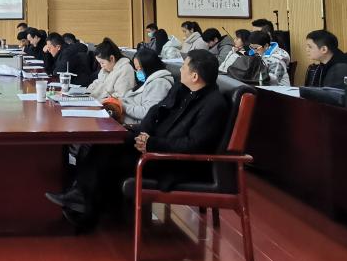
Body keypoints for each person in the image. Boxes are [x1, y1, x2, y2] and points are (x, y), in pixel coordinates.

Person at [45, 49, 229, 227]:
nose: (180, 70)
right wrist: (143, 134)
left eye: (184, 66)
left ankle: (86, 207)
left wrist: (151, 143)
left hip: (173, 162)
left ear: (195, 76)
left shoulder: (213, 105)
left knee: (108, 157)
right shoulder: (182, 90)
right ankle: (81, 198)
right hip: (154, 145)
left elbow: (193, 145)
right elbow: (156, 111)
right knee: (106, 142)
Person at [103, 48, 174, 126]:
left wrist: (121, 105)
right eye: (136, 69)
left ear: (149, 66)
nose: (138, 72)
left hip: (132, 125)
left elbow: (147, 113)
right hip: (123, 117)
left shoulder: (160, 84)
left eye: (140, 68)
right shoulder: (148, 80)